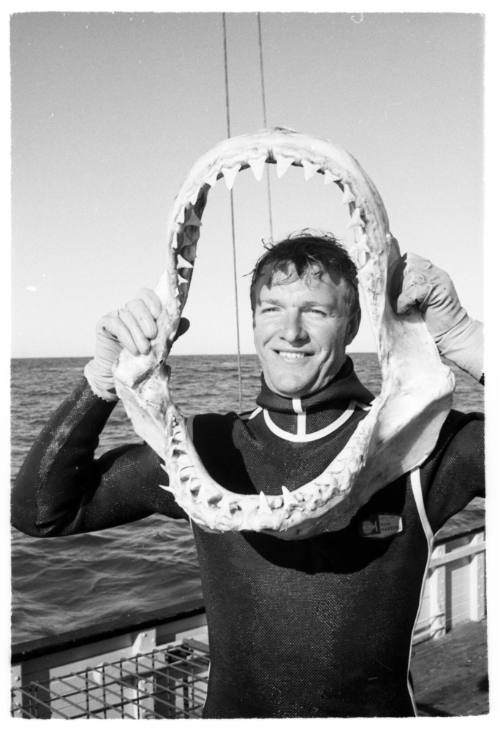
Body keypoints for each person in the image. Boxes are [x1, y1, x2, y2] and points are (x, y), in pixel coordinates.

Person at [11, 232, 484, 718]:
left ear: (353, 322)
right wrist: (103, 377)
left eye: (316, 311)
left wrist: (469, 341)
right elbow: (41, 513)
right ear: (254, 320)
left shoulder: (418, 444)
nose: (291, 332)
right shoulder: (204, 451)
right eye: (272, 309)